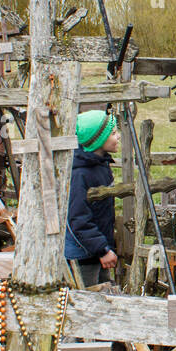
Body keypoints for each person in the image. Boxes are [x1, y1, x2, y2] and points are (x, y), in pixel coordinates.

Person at [65, 110, 120, 287]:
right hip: (82, 254)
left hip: (97, 249)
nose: (118, 136)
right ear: (98, 139)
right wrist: (102, 249)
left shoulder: (100, 164)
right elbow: (78, 219)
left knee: (105, 293)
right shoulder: (80, 173)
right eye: (113, 133)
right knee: (86, 298)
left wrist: (104, 248)